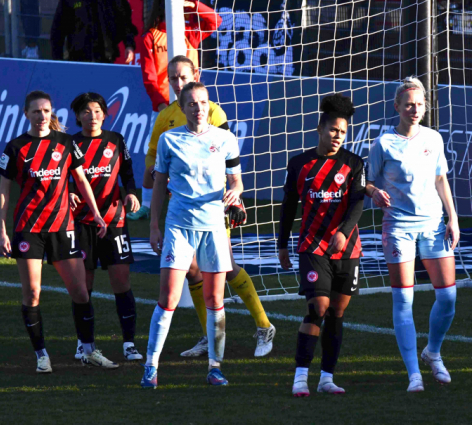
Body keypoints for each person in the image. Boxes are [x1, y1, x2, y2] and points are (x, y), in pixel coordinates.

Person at [139, 55, 276, 358]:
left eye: (183, 78)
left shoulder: (213, 112)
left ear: (195, 76)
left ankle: (264, 325)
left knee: (226, 269)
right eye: (173, 78)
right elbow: (152, 162)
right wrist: (152, 173)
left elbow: (227, 162)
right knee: (191, 272)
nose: (178, 84)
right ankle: (207, 336)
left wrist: (235, 200)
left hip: (214, 209)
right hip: (181, 211)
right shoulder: (165, 119)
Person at [0, 90, 118, 373]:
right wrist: (1, 230)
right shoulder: (15, 148)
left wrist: (97, 214)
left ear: (52, 114)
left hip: (63, 228)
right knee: (32, 294)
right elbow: (3, 192)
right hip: (29, 230)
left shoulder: (64, 143)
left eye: (46, 111)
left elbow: (81, 180)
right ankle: (41, 355)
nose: (41, 116)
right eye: (36, 111)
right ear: (26, 114)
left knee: (80, 293)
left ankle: (88, 350)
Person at [141, 81, 243, 389]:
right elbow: (159, 184)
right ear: (183, 108)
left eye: (203, 103)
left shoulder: (225, 139)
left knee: (215, 298)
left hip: (214, 228)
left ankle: (215, 367)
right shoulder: (170, 140)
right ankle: (150, 366)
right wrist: (154, 225)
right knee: (168, 297)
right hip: (179, 227)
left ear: (209, 106)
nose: (199, 108)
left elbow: (236, 181)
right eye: (192, 103)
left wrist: (235, 193)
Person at [366, 77, 458, 393]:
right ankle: (414, 374)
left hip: (434, 225)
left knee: (448, 296)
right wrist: (374, 191)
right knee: (404, 298)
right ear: (397, 107)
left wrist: (453, 217)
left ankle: (433, 351)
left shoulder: (433, 137)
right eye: (408, 104)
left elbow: (441, 179)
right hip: (398, 229)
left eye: (419, 104)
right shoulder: (383, 144)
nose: (414, 109)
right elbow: (366, 181)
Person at [278, 93, 365, 397]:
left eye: (343, 132)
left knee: (337, 313)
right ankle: (300, 377)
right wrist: (282, 244)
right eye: (333, 130)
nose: (338, 136)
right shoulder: (300, 164)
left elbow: (357, 204)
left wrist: (343, 231)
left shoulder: (354, 163)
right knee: (319, 307)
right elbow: (288, 205)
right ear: (320, 128)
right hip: (313, 245)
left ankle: (327, 377)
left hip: (347, 248)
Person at [129, 0, 222, 220]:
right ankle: (148, 206)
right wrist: (161, 105)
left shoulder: (190, 32)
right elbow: (149, 76)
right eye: (174, 6)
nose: (179, 11)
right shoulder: (151, 37)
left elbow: (215, 20)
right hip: (164, 107)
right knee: (155, 156)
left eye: (181, 7)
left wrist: (192, 4)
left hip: (193, 105)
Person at [68, 92, 143, 362]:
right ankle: (83, 343)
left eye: (98, 110)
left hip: (114, 222)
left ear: (105, 113)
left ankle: (129, 344)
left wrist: (130, 193)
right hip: (81, 223)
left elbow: (127, 172)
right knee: (83, 287)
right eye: (87, 111)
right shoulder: (70, 143)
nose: (93, 116)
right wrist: (67, 192)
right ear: (77, 116)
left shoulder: (116, 140)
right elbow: (61, 177)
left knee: (121, 282)